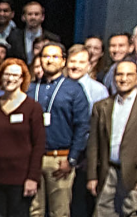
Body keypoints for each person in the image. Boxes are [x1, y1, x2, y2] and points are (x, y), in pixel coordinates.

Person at [86, 60, 137, 217]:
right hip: (107, 172)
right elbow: (94, 144)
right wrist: (92, 176)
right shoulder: (101, 106)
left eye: (129, 74)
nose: (123, 78)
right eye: (119, 74)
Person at [22, 43, 91, 217]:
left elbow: (82, 126)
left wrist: (73, 158)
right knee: (33, 211)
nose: (50, 60)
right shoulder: (30, 88)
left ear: (63, 62)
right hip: (32, 160)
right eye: (46, 56)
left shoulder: (74, 89)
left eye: (55, 57)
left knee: (59, 212)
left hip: (60, 159)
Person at [0, 58, 44, 217]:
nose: (10, 79)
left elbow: (38, 146)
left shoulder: (33, 108)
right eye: (6, 74)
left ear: (22, 79)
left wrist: (33, 177)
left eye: (15, 75)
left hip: (21, 179)